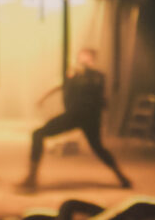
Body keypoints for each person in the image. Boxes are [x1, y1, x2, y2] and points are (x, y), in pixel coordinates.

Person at [18, 47, 131, 191]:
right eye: (80, 56)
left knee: (98, 148)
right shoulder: (74, 75)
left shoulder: (97, 76)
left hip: (88, 118)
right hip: (74, 116)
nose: (81, 59)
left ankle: (121, 176)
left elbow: (100, 95)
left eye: (85, 56)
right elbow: (59, 85)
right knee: (38, 134)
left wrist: (78, 75)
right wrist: (43, 97)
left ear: (92, 59)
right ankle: (32, 177)